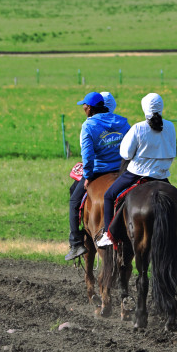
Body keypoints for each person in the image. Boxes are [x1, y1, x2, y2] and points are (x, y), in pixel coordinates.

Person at [96, 92, 176, 247]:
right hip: (162, 175)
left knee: (109, 196)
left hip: (137, 173)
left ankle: (108, 234)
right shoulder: (170, 126)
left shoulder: (138, 128)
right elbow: (172, 149)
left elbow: (125, 153)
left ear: (144, 108)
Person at [65, 91, 130, 261]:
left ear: (90, 108)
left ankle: (76, 243)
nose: (83, 108)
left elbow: (87, 155)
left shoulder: (88, 125)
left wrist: (88, 176)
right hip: (122, 172)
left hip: (99, 171)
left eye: (84, 105)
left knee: (74, 200)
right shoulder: (123, 122)